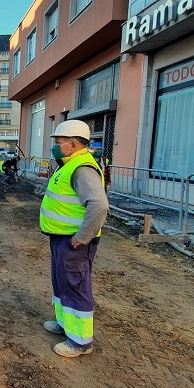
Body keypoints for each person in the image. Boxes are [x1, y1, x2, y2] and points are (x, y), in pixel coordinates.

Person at [39, 120, 109, 358]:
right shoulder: (68, 164)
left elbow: (99, 206)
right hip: (61, 239)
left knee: (75, 286)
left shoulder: (82, 169)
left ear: (71, 144)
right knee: (62, 283)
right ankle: (64, 324)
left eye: (58, 143)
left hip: (74, 243)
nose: (55, 147)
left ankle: (80, 342)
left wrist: (81, 238)